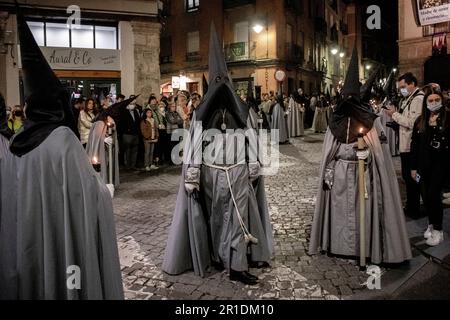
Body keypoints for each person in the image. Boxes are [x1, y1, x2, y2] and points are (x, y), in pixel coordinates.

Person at [0, 7, 123, 299]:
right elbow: (87, 198)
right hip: (61, 246)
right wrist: (104, 190)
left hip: (28, 244)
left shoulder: (16, 141)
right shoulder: (62, 139)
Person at [163, 24, 274, 285]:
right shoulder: (202, 115)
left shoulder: (242, 111)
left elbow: (251, 137)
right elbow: (193, 146)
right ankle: (217, 256)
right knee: (215, 218)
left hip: (237, 173)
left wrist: (254, 163)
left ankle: (237, 265)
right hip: (211, 176)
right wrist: (192, 172)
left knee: (237, 219)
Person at [309, 47, 412, 264]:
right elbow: (329, 151)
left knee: (362, 211)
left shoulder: (370, 120)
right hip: (339, 175)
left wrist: (367, 156)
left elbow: (380, 154)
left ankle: (363, 247)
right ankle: (337, 245)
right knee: (339, 211)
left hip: (363, 175)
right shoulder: (335, 120)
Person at [411, 87, 449, 246]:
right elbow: (414, 145)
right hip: (423, 164)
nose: (433, 103)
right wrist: (413, 167)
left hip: (441, 164)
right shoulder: (420, 120)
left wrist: (437, 128)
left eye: (436, 100)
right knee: (426, 196)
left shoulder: (447, 118)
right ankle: (431, 224)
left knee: (434, 195)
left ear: (442, 100)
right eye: (430, 101)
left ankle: (439, 230)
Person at [386, 72, 424, 218]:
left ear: (412, 84)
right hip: (405, 144)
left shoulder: (418, 99)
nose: (401, 89)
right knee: (408, 178)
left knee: (412, 178)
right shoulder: (408, 99)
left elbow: (412, 123)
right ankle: (411, 205)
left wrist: (394, 115)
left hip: (410, 146)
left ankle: (414, 209)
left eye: (403, 86)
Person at [119, 98, 141, 170]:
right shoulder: (123, 113)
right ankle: (127, 166)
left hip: (135, 134)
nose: (133, 105)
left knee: (135, 150)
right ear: (128, 105)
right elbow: (121, 124)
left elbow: (138, 122)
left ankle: (133, 165)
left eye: (134, 104)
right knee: (127, 151)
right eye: (131, 104)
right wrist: (127, 130)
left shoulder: (135, 112)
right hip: (127, 134)